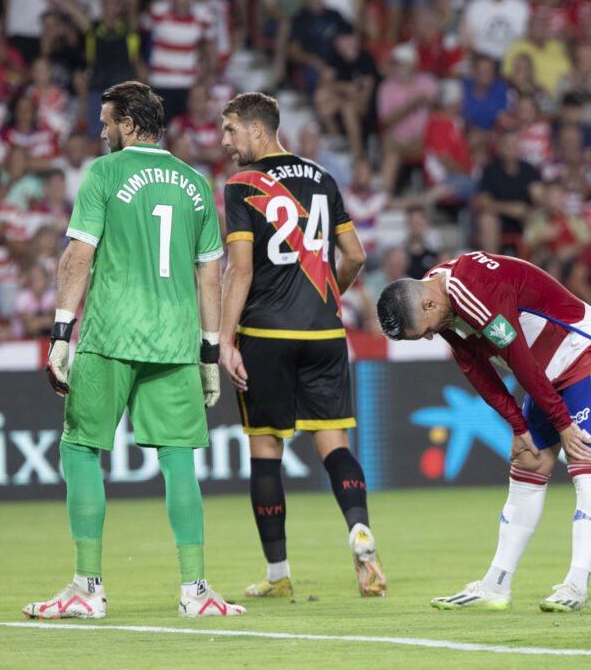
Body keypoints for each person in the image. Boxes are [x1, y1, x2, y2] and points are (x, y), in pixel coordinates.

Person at [24, 81, 244, 620]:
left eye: (105, 122)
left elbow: (78, 257)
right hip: (174, 341)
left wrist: (59, 333)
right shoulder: (195, 182)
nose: (101, 131)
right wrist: (209, 353)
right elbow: (209, 276)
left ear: (127, 124)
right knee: (179, 461)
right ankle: (196, 592)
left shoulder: (103, 173)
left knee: (79, 449)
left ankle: (86, 587)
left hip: (112, 334)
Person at [376, 250, 591, 612]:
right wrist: (517, 424)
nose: (433, 337)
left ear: (430, 305)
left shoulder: (472, 292)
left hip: (583, 351)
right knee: (528, 464)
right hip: (542, 370)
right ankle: (497, 584)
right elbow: (475, 368)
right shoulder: (440, 296)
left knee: (584, 456)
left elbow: (517, 357)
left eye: (427, 331)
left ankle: (577, 583)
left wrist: (562, 422)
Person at [218, 92, 385, 599]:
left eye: (230, 130)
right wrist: (330, 293)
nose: (225, 141)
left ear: (258, 130)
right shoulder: (322, 178)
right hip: (325, 333)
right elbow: (354, 254)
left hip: (267, 334)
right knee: (334, 445)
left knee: (266, 451)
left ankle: (278, 575)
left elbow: (240, 269)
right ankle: (359, 529)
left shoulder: (242, 185)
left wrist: (225, 340)